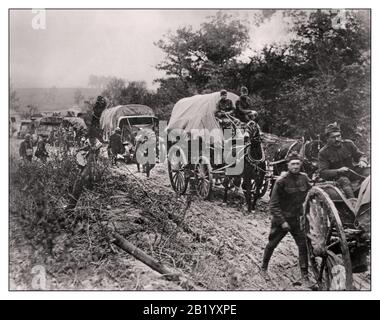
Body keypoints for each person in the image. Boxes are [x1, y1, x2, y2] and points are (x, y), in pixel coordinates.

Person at [261, 151, 311, 283]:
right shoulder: (281, 181)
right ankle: (264, 268)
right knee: (272, 244)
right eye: (293, 164)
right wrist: (282, 222)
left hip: (296, 219)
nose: (295, 166)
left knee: (302, 245)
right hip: (281, 220)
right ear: (288, 165)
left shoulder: (304, 178)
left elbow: (311, 193)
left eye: (297, 164)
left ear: (300, 164)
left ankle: (305, 275)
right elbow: (273, 205)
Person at [318, 122, 368, 199]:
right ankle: (352, 203)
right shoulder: (323, 152)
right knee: (344, 181)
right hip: (337, 179)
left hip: (352, 173)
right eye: (333, 137)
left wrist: (363, 161)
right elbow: (323, 172)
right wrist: (338, 170)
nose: (337, 139)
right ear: (327, 139)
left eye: (338, 136)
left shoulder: (348, 144)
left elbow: (360, 155)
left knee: (369, 171)